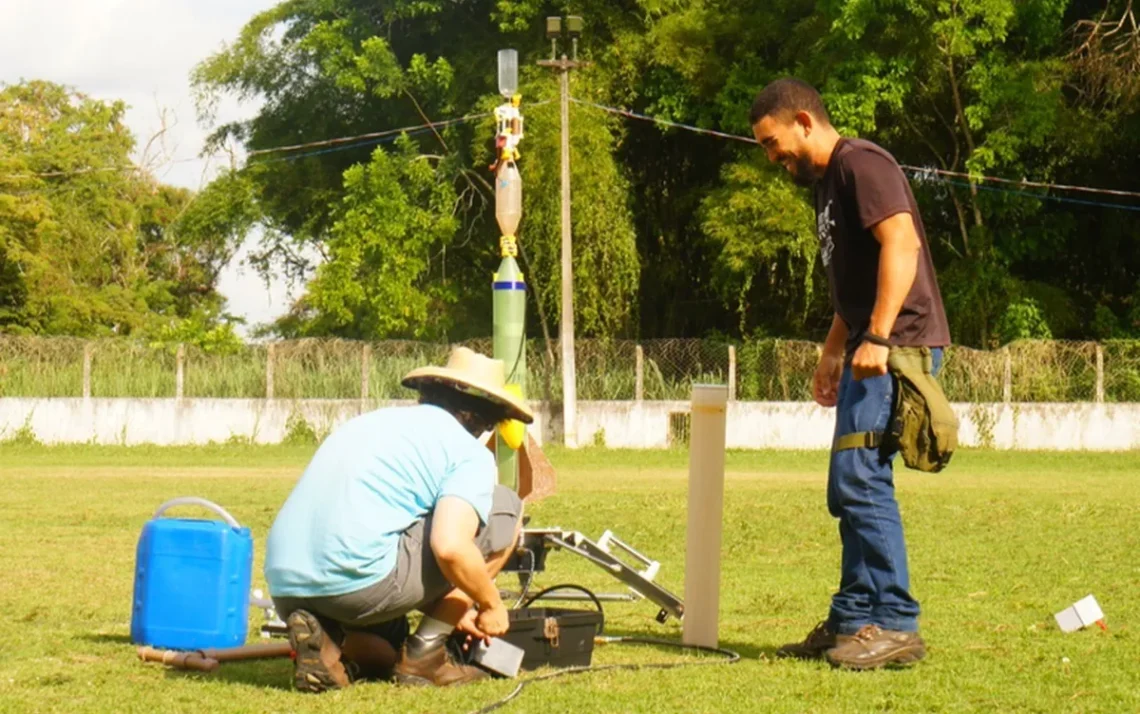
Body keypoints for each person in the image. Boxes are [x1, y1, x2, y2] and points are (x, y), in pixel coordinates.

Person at [749, 78, 951, 669]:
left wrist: (881, 336)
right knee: (849, 484)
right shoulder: (826, 186)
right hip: (869, 345)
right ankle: (853, 618)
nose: (772, 157)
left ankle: (894, 623)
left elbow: (902, 245)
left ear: (804, 122)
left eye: (772, 142)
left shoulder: (861, 164)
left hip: (897, 347)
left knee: (861, 479)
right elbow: (853, 288)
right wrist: (832, 351)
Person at [263, 346, 533, 691]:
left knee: (385, 652)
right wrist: (489, 604)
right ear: (483, 419)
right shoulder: (467, 451)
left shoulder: (371, 421)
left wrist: (455, 601)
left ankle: (329, 646)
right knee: (505, 508)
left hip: (286, 587)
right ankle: (426, 653)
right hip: (357, 585)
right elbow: (449, 547)